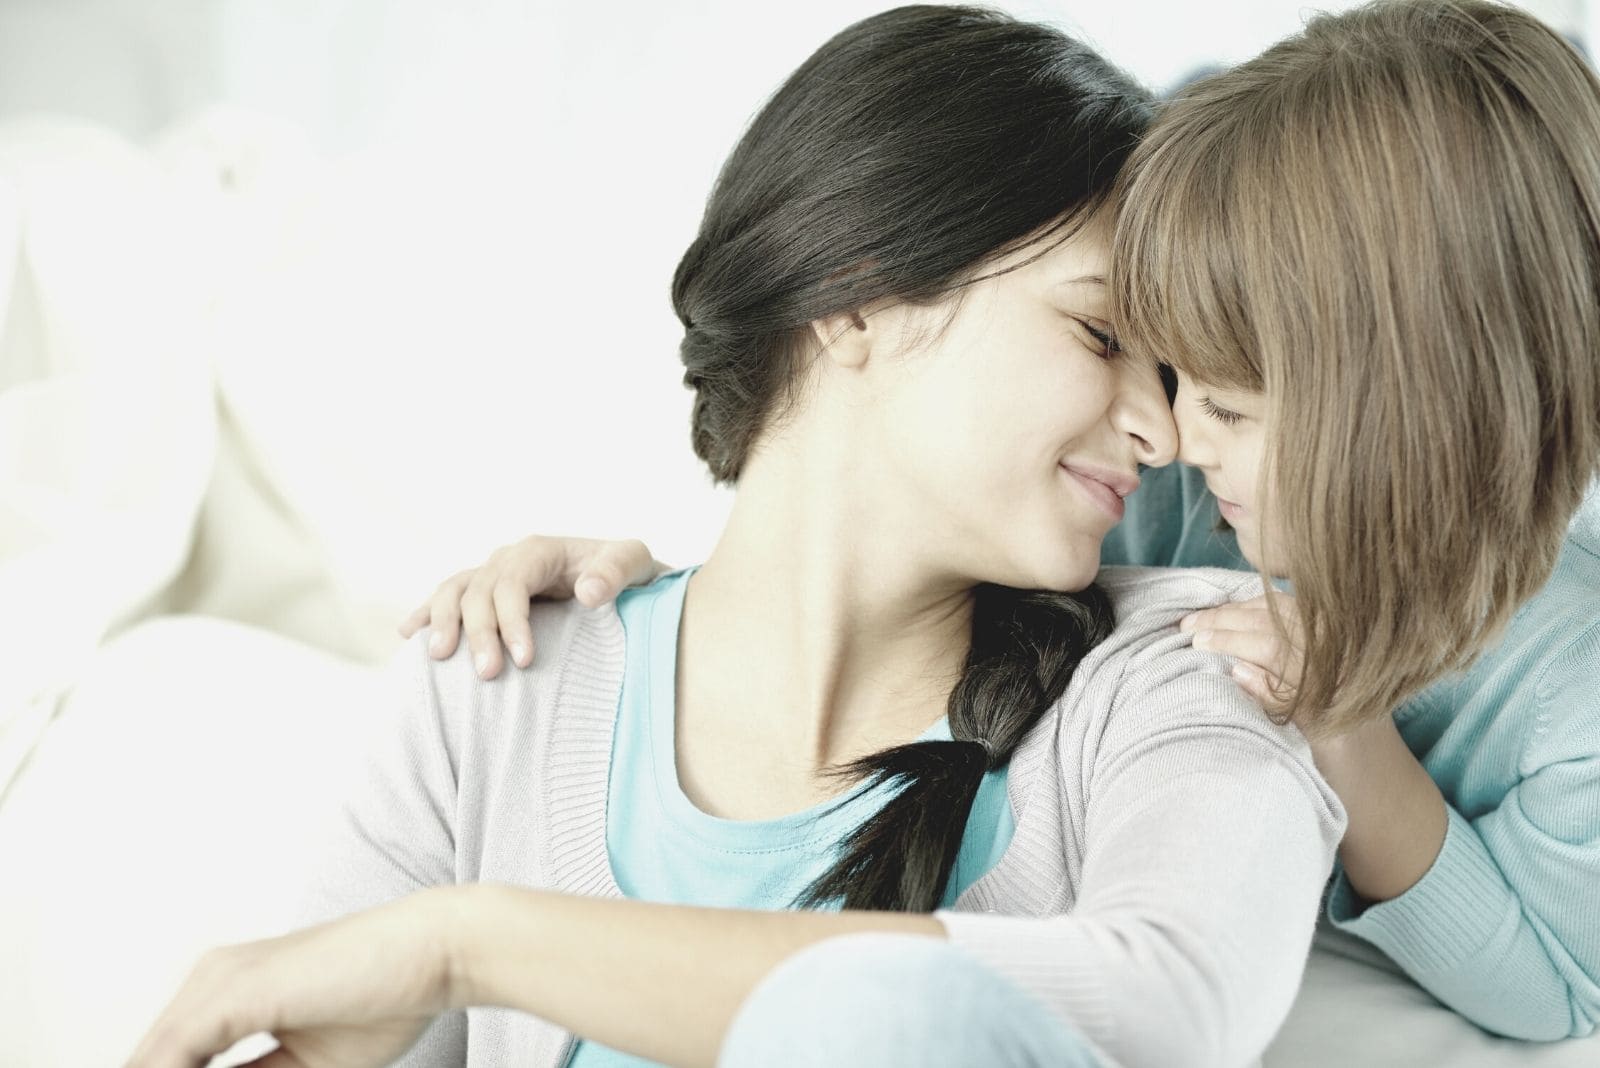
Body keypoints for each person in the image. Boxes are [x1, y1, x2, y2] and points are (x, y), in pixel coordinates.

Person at [128, 7, 1344, 1068]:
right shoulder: (496, 685)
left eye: (1175, 373)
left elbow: (1164, 1010)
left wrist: (473, 945)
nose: (1163, 429)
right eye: (1098, 338)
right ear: (860, 296)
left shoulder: (1193, 676)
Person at [417, 0, 1600, 1045]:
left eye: (1224, 404)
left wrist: (1349, 736)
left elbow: (1557, 989)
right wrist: (661, 607)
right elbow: (917, 542)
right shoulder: (1178, 510)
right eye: (1161, 375)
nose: (1174, 439)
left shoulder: (1568, 684)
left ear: (1410, 421)